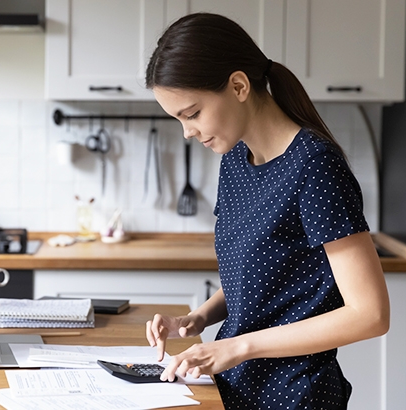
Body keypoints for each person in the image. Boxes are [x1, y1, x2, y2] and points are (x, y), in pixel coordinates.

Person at [144, 13, 390, 409]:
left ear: (238, 86)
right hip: (240, 388)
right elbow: (264, 276)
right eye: (178, 120)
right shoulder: (236, 160)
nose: (187, 132)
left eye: (192, 114)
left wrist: (236, 347)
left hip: (295, 395)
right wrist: (197, 318)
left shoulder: (315, 166)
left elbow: (370, 314)